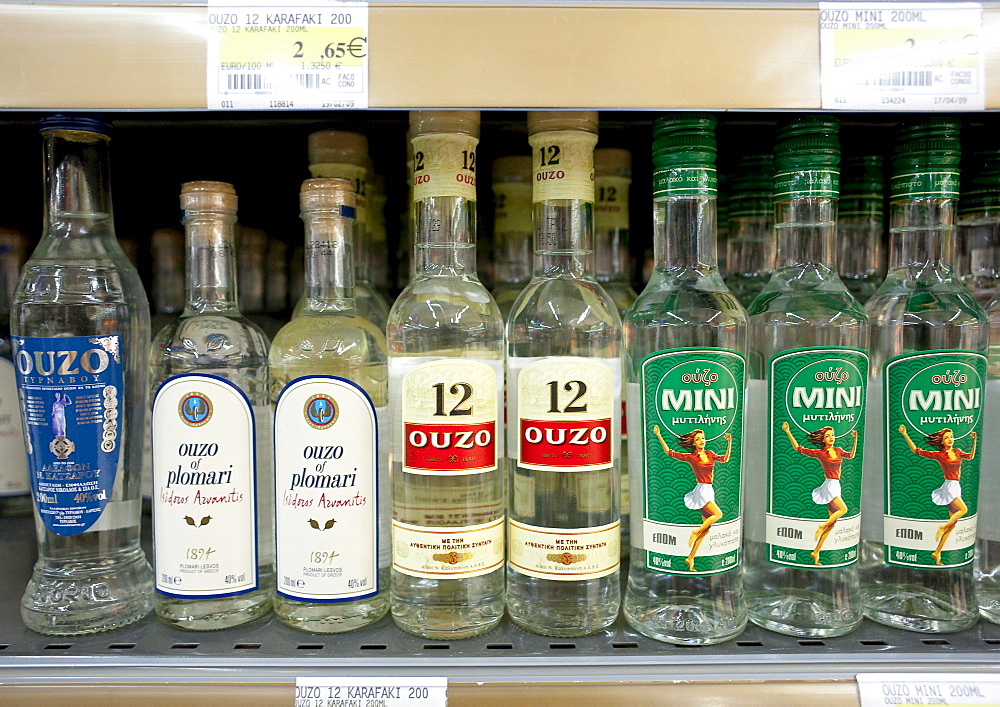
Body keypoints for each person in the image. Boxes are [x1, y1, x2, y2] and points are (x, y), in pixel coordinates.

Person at [651, 425, 731, 571]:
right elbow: (670, 452)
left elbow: (725, 459)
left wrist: (729, 442)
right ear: (693, 442)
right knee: (718, 514)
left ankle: (690, 558)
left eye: (703, 438)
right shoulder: (692, 457)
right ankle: (695, 532)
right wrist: (658, 435)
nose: (701, 440)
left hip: (709, 489)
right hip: (701, 489)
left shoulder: (710, 453)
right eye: (698, 439)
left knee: (706, 529)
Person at [897, 425, 976, 565]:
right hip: (949, 486)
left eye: (951, 437)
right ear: (941, 441)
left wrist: (974, 440)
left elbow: (970, 456)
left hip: (957, 485)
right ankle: (942, 527)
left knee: (953, 524)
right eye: (946, 438)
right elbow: (917, 451)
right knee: (963, 510)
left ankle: (937, 552)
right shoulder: (940, 455)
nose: (950, 439)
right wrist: (905, 434)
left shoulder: (957, 452)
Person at [780, 422, 857, 564]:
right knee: (843, 509)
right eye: (827, 436)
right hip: (829, 485)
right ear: (823, 439)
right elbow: (798, 448)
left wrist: (855, 438)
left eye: (832, 435)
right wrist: (788, 431)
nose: (831, 437)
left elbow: (851, 455)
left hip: (837, 484)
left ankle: (816, 552)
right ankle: (821, 526)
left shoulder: (839, 450)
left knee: (832, 524)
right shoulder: (821, 453)